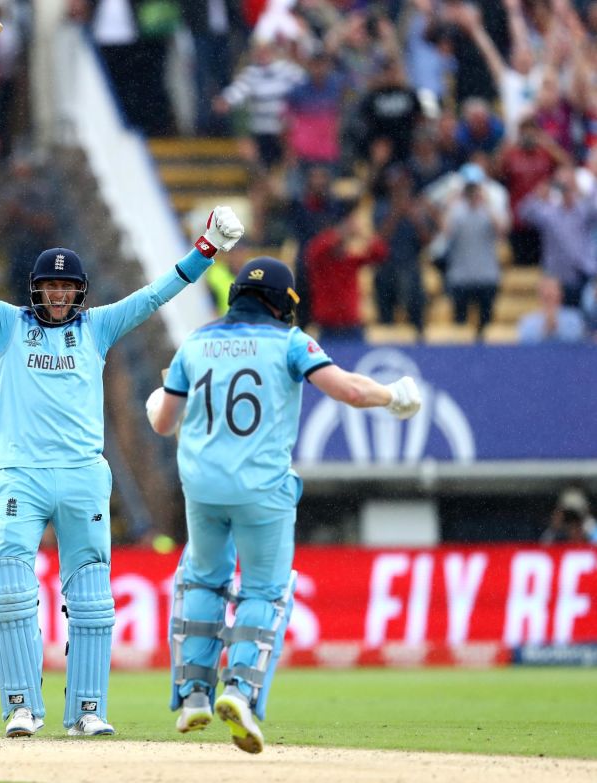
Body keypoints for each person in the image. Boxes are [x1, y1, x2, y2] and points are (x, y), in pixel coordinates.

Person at [0, 185, 245, 738]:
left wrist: (207, 247)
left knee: (92, 598)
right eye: (50, 288)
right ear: (36, 290)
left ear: (80, 293)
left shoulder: (97, 327)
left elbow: (155, 293)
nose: (57, 297)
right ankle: (22, 705)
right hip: (22, 475)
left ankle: (88, 711)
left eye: (67, 289)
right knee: (6, 584)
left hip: (83, 477)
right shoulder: (8, 325)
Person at [144, 256, 421, 753]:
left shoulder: (195, 342)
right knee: (265, 592)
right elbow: (351, 392)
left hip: (203, 489)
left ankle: (193, 696)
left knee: (202, 580)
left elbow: (164, 422)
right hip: (261, 491)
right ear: (280, 303)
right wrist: (395, 396)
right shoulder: (291, 342)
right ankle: (240, 692)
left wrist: (154, 402)